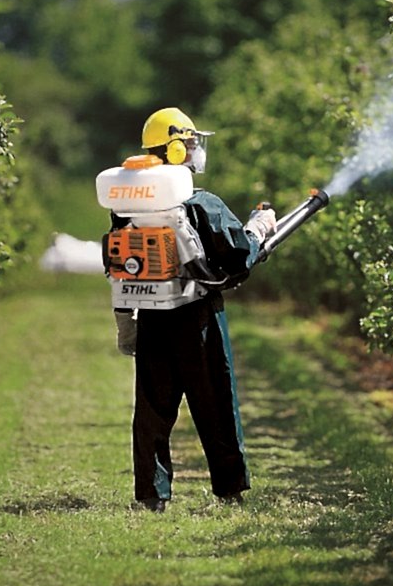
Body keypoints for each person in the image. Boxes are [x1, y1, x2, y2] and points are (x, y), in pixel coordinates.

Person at [112, 107, 276, 513]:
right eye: (189, 142)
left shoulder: (125, 205)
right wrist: (258, 228)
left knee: (152, 411)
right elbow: (238, 255)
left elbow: (121, 262)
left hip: (152, 316)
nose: (194, 149)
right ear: (173, 149)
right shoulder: (201, 203)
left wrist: (125, 326)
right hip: (199, 317)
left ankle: (152, 495)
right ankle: (230, 489)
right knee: (216, 402)